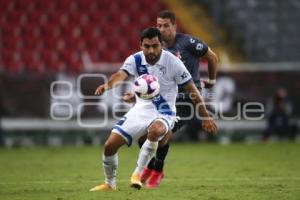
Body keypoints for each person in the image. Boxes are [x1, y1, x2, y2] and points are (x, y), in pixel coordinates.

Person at [90, 27, 217, 191]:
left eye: (155, 46)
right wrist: (108, 85)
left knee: (156, 131)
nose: (151, 50)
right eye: (147, 46)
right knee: (110, 145)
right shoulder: (135, 59)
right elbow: (120, 75)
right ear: (141, 45)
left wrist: (205, 117)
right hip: (140, 109)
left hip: (165, 112)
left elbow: (193, 91)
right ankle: (109, 183)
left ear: (161, 45)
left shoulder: (173, 63)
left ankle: (137, 174)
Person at [123, 10, 219, 188]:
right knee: (143, 137)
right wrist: (137, 96)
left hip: (186, 98)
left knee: (161, 134)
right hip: (164, 98)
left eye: (166, 25)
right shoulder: (155, 49)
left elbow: (212, 57)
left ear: (174, 26)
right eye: (159, 25)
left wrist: (212, 81)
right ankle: (152, 167)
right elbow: (150, 80)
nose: (162, 29)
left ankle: (157, 170)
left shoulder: (188, 43)